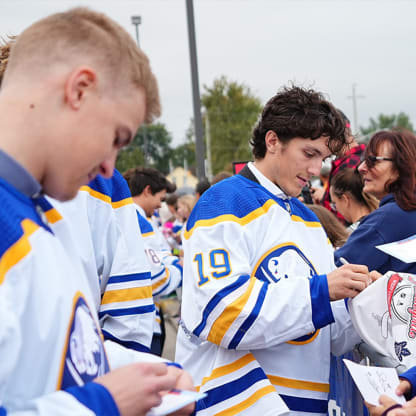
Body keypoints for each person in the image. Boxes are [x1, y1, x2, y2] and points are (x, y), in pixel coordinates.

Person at [0, 8, 194, 415]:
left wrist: (144, 373)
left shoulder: (34, 212)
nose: (110, 167)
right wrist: (105, 404)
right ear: (79, 90)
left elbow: (47, 355)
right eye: (115, 137)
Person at [176, 85, 372, 415]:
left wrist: (365, 300)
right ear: (272, 142)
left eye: (322, 160)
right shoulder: (224, 201)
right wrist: (322, 290)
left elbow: (331, 338)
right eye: (309, 154)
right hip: (239, 404)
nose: (315, 171)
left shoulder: (308, 220)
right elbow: (222, 314)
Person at [334, 129, 416, 274]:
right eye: (363, 160)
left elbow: (335, 271)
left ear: (401, 166)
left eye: (372, 160)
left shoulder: (389, 218)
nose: (361, 168)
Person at [124, 167, 183, 356]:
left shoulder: (132, 218)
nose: (160, 206)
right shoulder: (135, 221)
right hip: (141, 323)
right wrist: (181, 268)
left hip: (137, 321)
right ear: (147, 191)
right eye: (161, 199)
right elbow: (155, 278)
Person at [312, 111, 366, 224]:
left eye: (325, 137)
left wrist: (325, 202)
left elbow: (345, 212)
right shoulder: (357, 159)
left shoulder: (351, 164)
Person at [330, 168, 379, 232]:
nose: (336, 209)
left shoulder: (351, 236)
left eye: (334, 204)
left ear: (345, 200)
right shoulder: (383, 221)